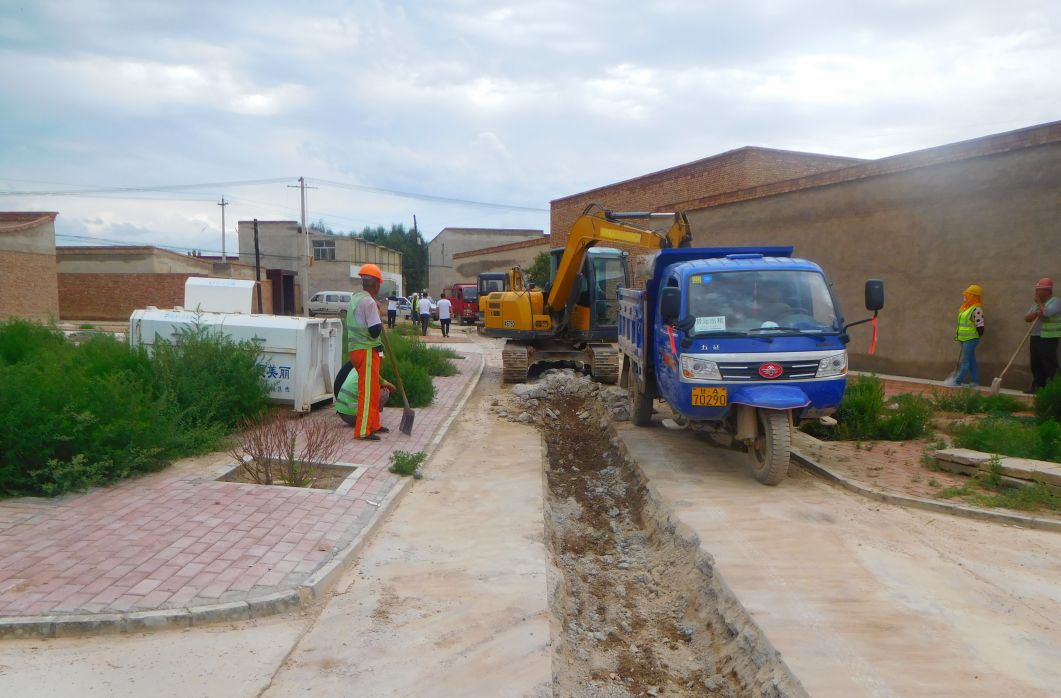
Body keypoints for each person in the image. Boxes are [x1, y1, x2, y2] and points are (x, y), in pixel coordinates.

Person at [344, 263, 387, 440]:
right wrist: (379, 315)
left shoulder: (355, 298)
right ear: (376, 284)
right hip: (366, 351)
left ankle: (374, 424)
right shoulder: (369, 302)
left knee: (374, 389)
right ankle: (363, 431)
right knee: (367, 392)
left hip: (357, 350)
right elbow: (374, 330)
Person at [334, 361, 396, 428]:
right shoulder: (370, 371)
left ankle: (367, 418)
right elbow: (392, 388)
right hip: (353, 416)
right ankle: (372, 419)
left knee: (371, 391)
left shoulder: (355, 368)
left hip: (342, 413)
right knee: (385, 392)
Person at [1025, 277, 1060, 392]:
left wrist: (1040, 304)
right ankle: (1037, 386)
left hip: (1049, 338)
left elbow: (1047, 313)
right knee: (1036, 363)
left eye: (1039, 290)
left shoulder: (1056, 302)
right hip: (1036, 337)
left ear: (1047, 291)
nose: (1037, 293)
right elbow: (1027, 318)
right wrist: (1037, 311)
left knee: (1048, 363)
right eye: (1036, 290)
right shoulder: (1035, 305)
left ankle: (1051, 388)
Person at [947, 283, 985, 387]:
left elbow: (980, 326)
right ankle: (975, 381)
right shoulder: (965, 308)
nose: (964, 296)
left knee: (966, 361)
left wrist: (975, 337)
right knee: (971, 360)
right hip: (963, 339)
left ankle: (957, 382)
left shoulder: (976, 309)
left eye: (967, 295)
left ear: (973, 296)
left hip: (971, 339)